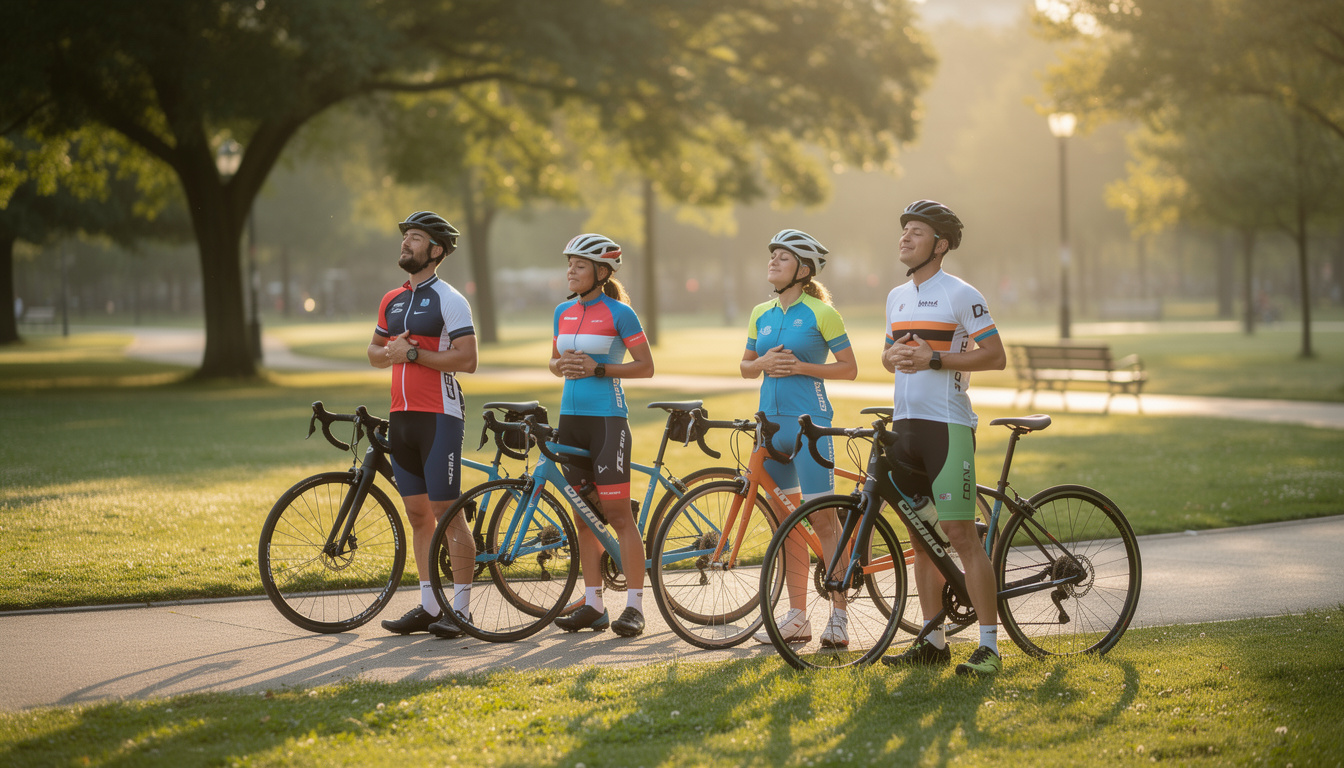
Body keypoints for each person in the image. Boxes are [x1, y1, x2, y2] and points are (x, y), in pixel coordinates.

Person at [877, 199, 1007, 676]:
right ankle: (932, 640)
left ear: (941, 244)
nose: (905, 238)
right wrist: (895, 358)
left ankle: (990, 647)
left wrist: (935, 359)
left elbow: (995, 356)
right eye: (904, 230)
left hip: (948, 427)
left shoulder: (961, 294)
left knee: (958, 536)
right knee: (922, 538)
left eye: (916, 231)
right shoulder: (895, 297)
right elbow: (887, 356)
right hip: (906, 426)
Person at [741, 229, 857, 648]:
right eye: (771, 255)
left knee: (823, 520)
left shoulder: (822, 314)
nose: (772, 261)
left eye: (782, 257)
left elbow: (849, 368)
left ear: (803, 270)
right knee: (786, 524)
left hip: (810, 425)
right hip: (770, 426)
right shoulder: (761, 312)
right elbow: (745, 365)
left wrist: (802, 368)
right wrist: (762, 363)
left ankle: (839, 615)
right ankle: (796, 616)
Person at [368, 211, 479, 637]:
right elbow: (374, 352)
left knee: (447, 514)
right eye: (405, 238)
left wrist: (413, 355)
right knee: (417, 515)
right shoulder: (392, 300)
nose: (405, 244)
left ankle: (463, 610)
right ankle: (431, 605)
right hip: (401, 415)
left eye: (414, 238)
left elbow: (467, 359)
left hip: (440, 417)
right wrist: (392, 353)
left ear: (435, 250)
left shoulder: (450, 298)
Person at [548, 233, 655, 637]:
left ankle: (634, 607)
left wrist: (598, 368)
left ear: (602, 271)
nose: (570, 271)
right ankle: (593, 604)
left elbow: (645, 367)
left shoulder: (619, 313)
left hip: (607, 421)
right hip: (570, 419)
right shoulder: (562, 312)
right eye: (569, 264)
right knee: (583, 515)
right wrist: (562, 366)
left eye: (579, 265)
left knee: (617, 515)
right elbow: (554, 363)